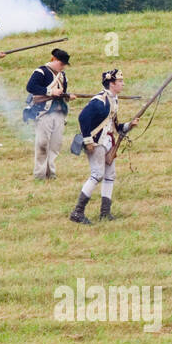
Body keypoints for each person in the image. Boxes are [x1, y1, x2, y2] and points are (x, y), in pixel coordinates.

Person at [69, 68, 135, 225]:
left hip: (108, 143)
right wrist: (88, 141)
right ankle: (77, 212)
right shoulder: (100, 100)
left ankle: (105, 213)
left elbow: (116, 126)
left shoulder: (114, 100)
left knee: (110, 176)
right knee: (97, 175)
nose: (122, 84)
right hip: (96, 143)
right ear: (112, 84)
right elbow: (82, 117)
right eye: (120, 82)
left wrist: (130, 125)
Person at [24, 48, 74, 180]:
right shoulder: (41, 72)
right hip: (43, 113)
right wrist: (49, 92)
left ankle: (51, 173)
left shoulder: (62, 76)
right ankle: (39, 174)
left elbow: (61, 93)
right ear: (55, 60)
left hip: (58, 113)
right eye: (61, 64)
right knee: (42, 144)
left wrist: (67, 96)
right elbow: (31, 87)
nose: (63, 67)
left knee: (55, 145)